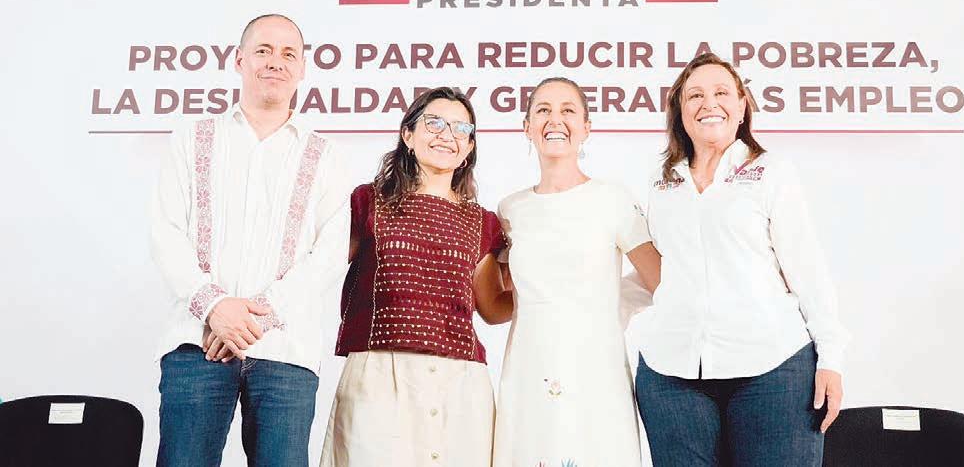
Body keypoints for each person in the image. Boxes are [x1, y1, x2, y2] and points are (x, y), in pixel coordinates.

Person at [151, 14, 350, 466]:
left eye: (288, 54)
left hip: (285, 351)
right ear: (239, 60)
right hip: (197, 343)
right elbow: (166, 232)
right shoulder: (193, 138)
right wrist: (216, 308)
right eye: (263, 51)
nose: (275, 62)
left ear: (302, 69)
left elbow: (330, 253)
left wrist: (248, 322)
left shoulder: (325, 155)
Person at [635, 52, 849, 466]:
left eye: (721, 93)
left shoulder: (770, 171)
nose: (708, 103)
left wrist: (831, 358)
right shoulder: (661, 181)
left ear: (741, 107)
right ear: (680, 111)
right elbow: (659, 269)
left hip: (773, 370)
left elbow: (807, 270)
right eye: (695, 95)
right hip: (672, 373)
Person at [320, 87, 510, 467]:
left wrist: (550, 277)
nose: (447, 135)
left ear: (469, 147)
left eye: (460, 128)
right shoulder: (367, 201)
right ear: (408, 134)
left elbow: (492, 308)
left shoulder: (483, 221)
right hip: (378, 373)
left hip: (460, 382)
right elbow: (319, 271)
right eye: (434, 123)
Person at [492, 77, 661, 467]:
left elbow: (659, 281)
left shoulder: (612, 199)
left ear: (586, 127)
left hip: (595, 364)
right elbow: (500, 302)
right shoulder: (510, 210)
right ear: (527, 127)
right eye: (543, 110)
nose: (555, 120)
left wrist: (611, 304)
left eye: (568, 110)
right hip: (529, 365)